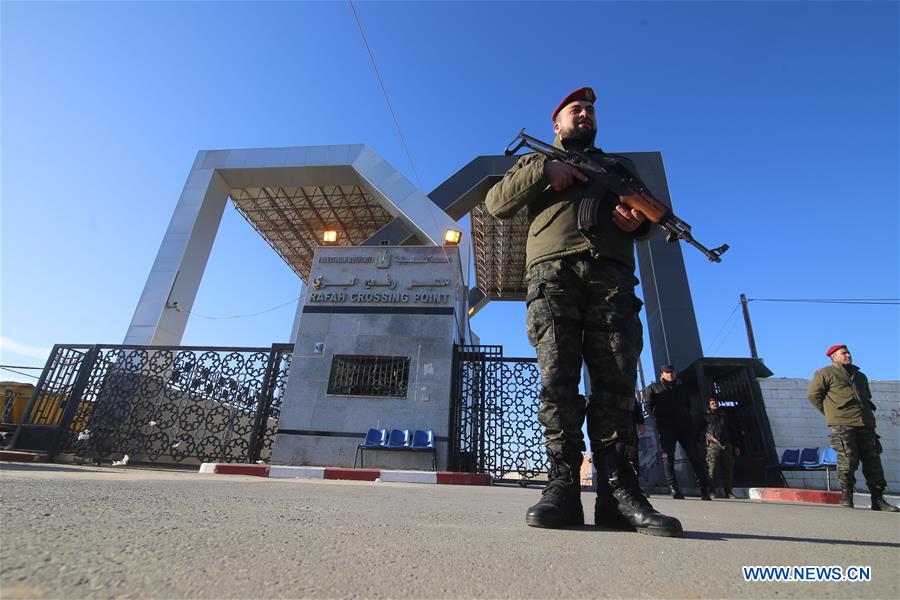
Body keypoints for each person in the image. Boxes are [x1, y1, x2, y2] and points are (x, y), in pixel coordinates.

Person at [485, 86, 682, 537]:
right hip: (553, 274)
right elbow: (497, 204)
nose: (586, 113)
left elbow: (646, 222)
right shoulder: (533, 161)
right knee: (558, 382)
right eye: (576, 109)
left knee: (616, 386)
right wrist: (544, 170)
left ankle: (619, 496)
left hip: (611, 278)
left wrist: (639, 227)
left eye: (591, 109)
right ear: (556, 124)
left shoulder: (618, 168)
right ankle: (563, 488)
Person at [807, 345, 898, 512]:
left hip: (866, 425)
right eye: (843, 353)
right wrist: (832, 414)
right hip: (843, 425)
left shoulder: (860, 376)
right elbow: (813, 395)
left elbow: (866, 398)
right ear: (833, 357)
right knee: (847, 461)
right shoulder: (825, 373)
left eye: (848, 352)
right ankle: (847, 495)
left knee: (873, 463)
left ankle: (878, 499)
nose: (848, 355)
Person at [645, 364, 712, 500]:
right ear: (661, 374)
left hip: (684, 426)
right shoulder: (653, 388)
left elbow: (688, 405)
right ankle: (674, 489)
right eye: (667, 372)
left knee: (695, 457)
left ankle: (704, 490)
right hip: (666, 427)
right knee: (668, 458)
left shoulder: (682, 388)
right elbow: (648, 406)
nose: (670, 374)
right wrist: (658, 420)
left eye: (672, 372)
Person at [704, 395, 742, 498]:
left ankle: (728, 491)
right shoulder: (705, 417)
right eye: (712, 403)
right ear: (709, 405)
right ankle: (712, 491)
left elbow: (733, 431)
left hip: (726, 444)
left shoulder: (725, 416)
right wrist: (707, 438)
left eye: (716, 403)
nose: (715, 404)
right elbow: (701, 431)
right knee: (712, 469)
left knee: (728, 468)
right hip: (712, 445)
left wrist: (736, 445)